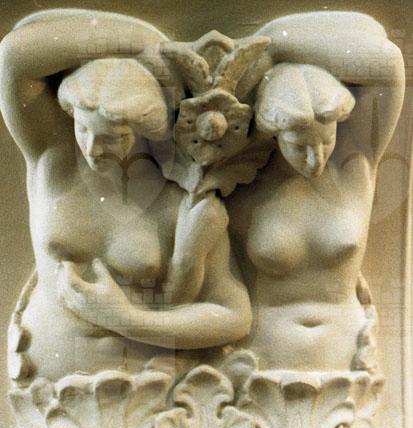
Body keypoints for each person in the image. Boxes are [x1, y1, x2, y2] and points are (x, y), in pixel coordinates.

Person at [0, 9, 251, 383]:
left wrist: (128, 320)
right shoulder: (53, 160)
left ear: (142, 131)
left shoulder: (176, 200)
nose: (92, 147)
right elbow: (15, 58)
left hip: (147, 389)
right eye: (83, 130)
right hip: (45, 384)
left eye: (111, 138)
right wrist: (144, 44)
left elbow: (234, 315)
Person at [227, 13, 405, 371]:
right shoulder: (242, 186)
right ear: (274, 136)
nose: (316, 158)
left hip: (349, 359)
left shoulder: (356, 166)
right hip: (261, 362)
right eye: (299, 146)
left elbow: (387, 63)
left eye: (326, 141)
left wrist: (273, 44)